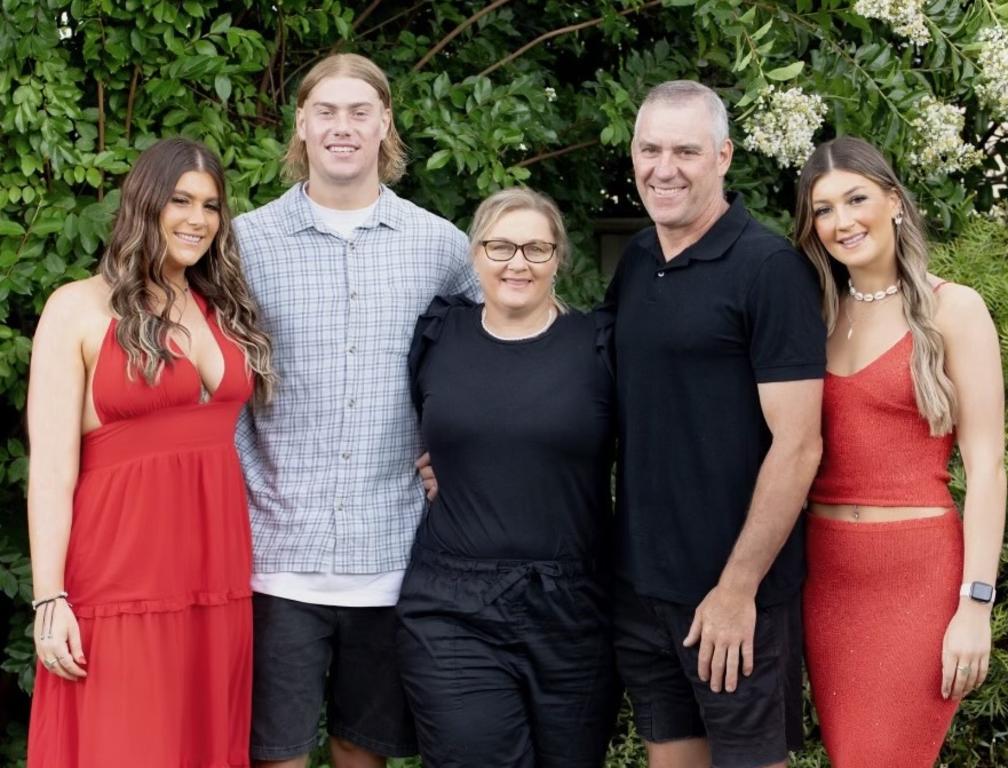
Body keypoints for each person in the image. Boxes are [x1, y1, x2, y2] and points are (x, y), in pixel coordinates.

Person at [233, 53, 478, 768]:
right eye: (328, 112)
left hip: (393, 551)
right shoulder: (245, 243)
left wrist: (459, 457)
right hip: (275, 551)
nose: (344, 127)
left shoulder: (440, 247)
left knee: (361, 747)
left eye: (359, 112)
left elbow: (494, 353)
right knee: (275, 751)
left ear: (384, 126)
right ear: (302, 125)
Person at [26, 137, 274, 767]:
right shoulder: (77, 307)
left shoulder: (224, 310)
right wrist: (50, 597)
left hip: (216, 581)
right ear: (145, 203)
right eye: (181, 200)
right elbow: (52, 473)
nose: (198, 219)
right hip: (118, 582)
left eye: (212, 206)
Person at [603, 80, 826, 768]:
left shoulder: (768, 270)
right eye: (649, 148)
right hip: (643, 587)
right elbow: (605, 400)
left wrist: (737, 590)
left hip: (732, 595)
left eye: (685, 151)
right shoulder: (639, 260)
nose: (663, 167)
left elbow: (798, 446)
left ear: (724, 156)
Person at [794, 136, 1006, 767]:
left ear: (893, 201)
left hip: (917, 579)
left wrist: (975, 603)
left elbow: (988, 467)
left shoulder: (954, 310)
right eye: (823, 209)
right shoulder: (814, 315)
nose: (842, 221)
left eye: (856, 198)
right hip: (827, 580)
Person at [396, 187, 620, 768]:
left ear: (558, 259)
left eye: (536, 249)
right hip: (452, 605)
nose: (517, 262)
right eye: (500, 246)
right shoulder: (439, 334)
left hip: (574, 609)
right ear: (474, 254)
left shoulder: (598, 346)